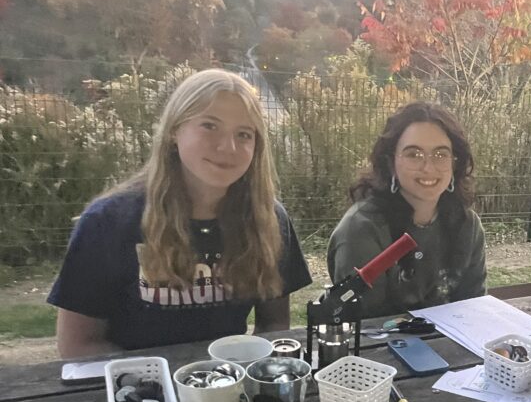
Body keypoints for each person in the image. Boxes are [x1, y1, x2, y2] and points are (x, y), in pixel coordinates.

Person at [49, 69, 311, 358]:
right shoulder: (106, 223)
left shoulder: (269, 220)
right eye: (210, 126)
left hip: (224, 386)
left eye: (244, 134)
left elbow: (273, 324)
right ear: (175, 130)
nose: (228, 147)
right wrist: (169, 382)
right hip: (135, 391)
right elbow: (77, 346)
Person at [327, 101, 486, 319]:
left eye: (440, 154)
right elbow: (364, 327)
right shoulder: (361, 230)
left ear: (455, 163)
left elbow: (474, 309)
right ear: (391, 162)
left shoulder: (468, 224)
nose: (428, 167)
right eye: (414, 154)